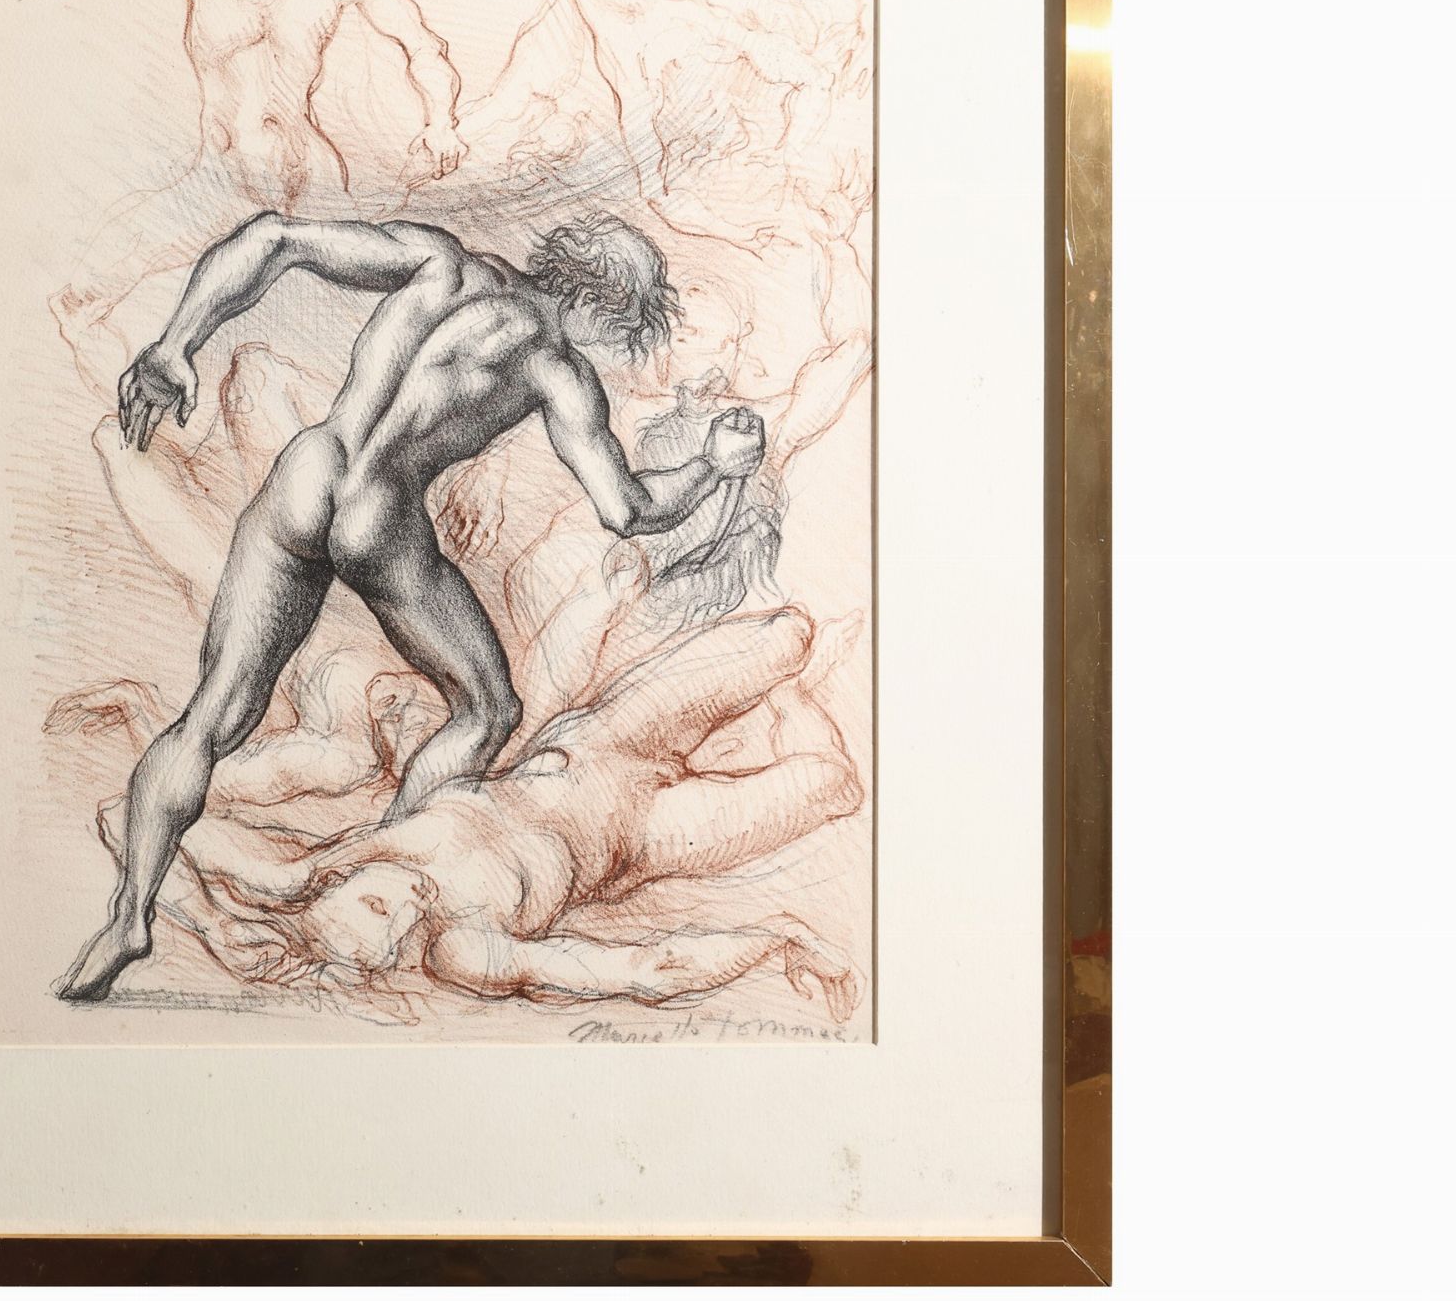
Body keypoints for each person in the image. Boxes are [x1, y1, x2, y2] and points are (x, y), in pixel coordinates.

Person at [55, 209, 766, 1001]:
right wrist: (711, 464)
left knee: (209, 717)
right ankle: (376, 875)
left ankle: (129, 914)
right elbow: (628, 508)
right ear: (601, 308)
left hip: (310, 471)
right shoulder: (555, 367)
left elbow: (273, 238)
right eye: (622, 328)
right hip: (379, 511)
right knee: (487, 709)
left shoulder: (440, 261)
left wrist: (174, 345)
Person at [158, 607, 865, 1022]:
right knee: (836, 785)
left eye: (375, 903)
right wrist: (778, 942)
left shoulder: (348, 856)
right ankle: (795, 707)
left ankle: (786, 692)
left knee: (789, 635)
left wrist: (228, 914)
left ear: (343, 882)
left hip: (601, 736)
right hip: (648, 830)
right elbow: (639, 969)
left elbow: (127, 816)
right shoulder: (463, 948)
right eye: (394, 936)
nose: (407, 908)